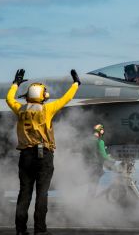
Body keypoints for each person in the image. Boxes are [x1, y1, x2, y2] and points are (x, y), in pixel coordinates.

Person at [6, 69, 81, 235]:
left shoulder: (21, 109)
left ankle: (20, 230)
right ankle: (40, 230)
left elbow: (8, 99)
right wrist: (76, 83)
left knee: (24, 193)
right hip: (43, 156)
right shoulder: (47, 109)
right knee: (42, 193)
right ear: (43, 96)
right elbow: (67, 98)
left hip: (25, 156)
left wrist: (15, 84)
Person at [82, 124, 115, 198]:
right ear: (100, 131)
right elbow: (103, 155)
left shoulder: (87, 141)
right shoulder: (100, 142)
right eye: (102, 130)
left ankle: (89, 199)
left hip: (88, 166)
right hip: (96, 166)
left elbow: (84, 153)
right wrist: (112, 159)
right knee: (94, 184)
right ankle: (90, 200)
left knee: (91, 184)